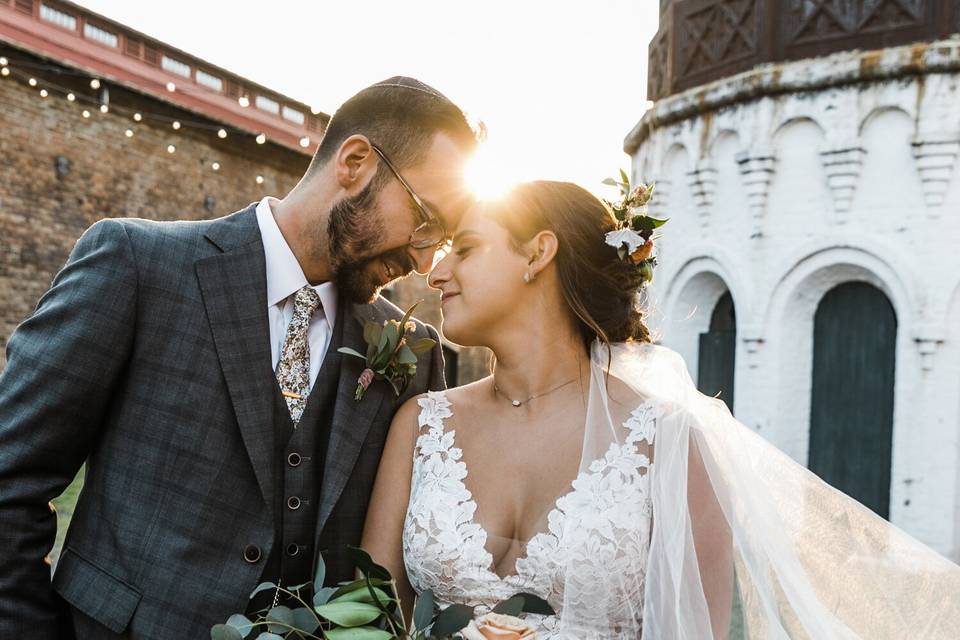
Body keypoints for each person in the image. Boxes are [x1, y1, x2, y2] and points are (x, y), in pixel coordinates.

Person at [362, 180, 960, 638]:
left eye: (464, 250)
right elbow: (366, 616)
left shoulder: (668, 442)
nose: (436, 274)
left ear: (538, 253)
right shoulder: (421, 425)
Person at [0, 76, 479, 638]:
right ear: (354, 163)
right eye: (425, 220)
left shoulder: (414, 354)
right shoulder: (136, 265)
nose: (425, 260)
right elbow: (10, 483)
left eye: (442, 241)